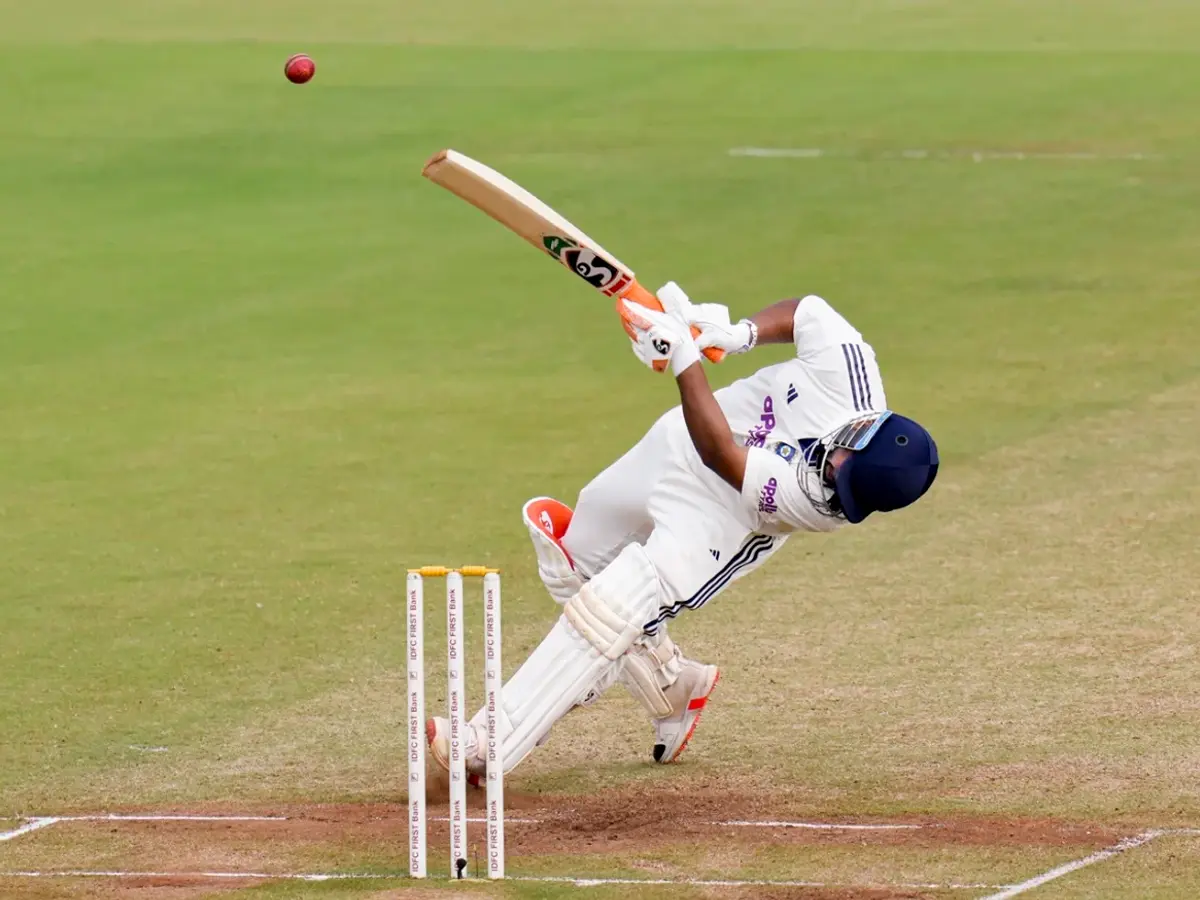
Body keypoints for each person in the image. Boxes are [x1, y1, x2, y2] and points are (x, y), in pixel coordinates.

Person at [427, 283, 939, 778]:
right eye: (844, 470)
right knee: (574, 567)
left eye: (847, 490)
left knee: (612, 606)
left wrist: (684, 356)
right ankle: (672, 683)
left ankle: (487, 743)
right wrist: (740, 334)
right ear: (863, 430)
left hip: (722, 521)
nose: (833, 484)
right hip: (676, 442)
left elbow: (720, 454)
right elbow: (805, 311)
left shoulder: (816, 503)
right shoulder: (847, 372)